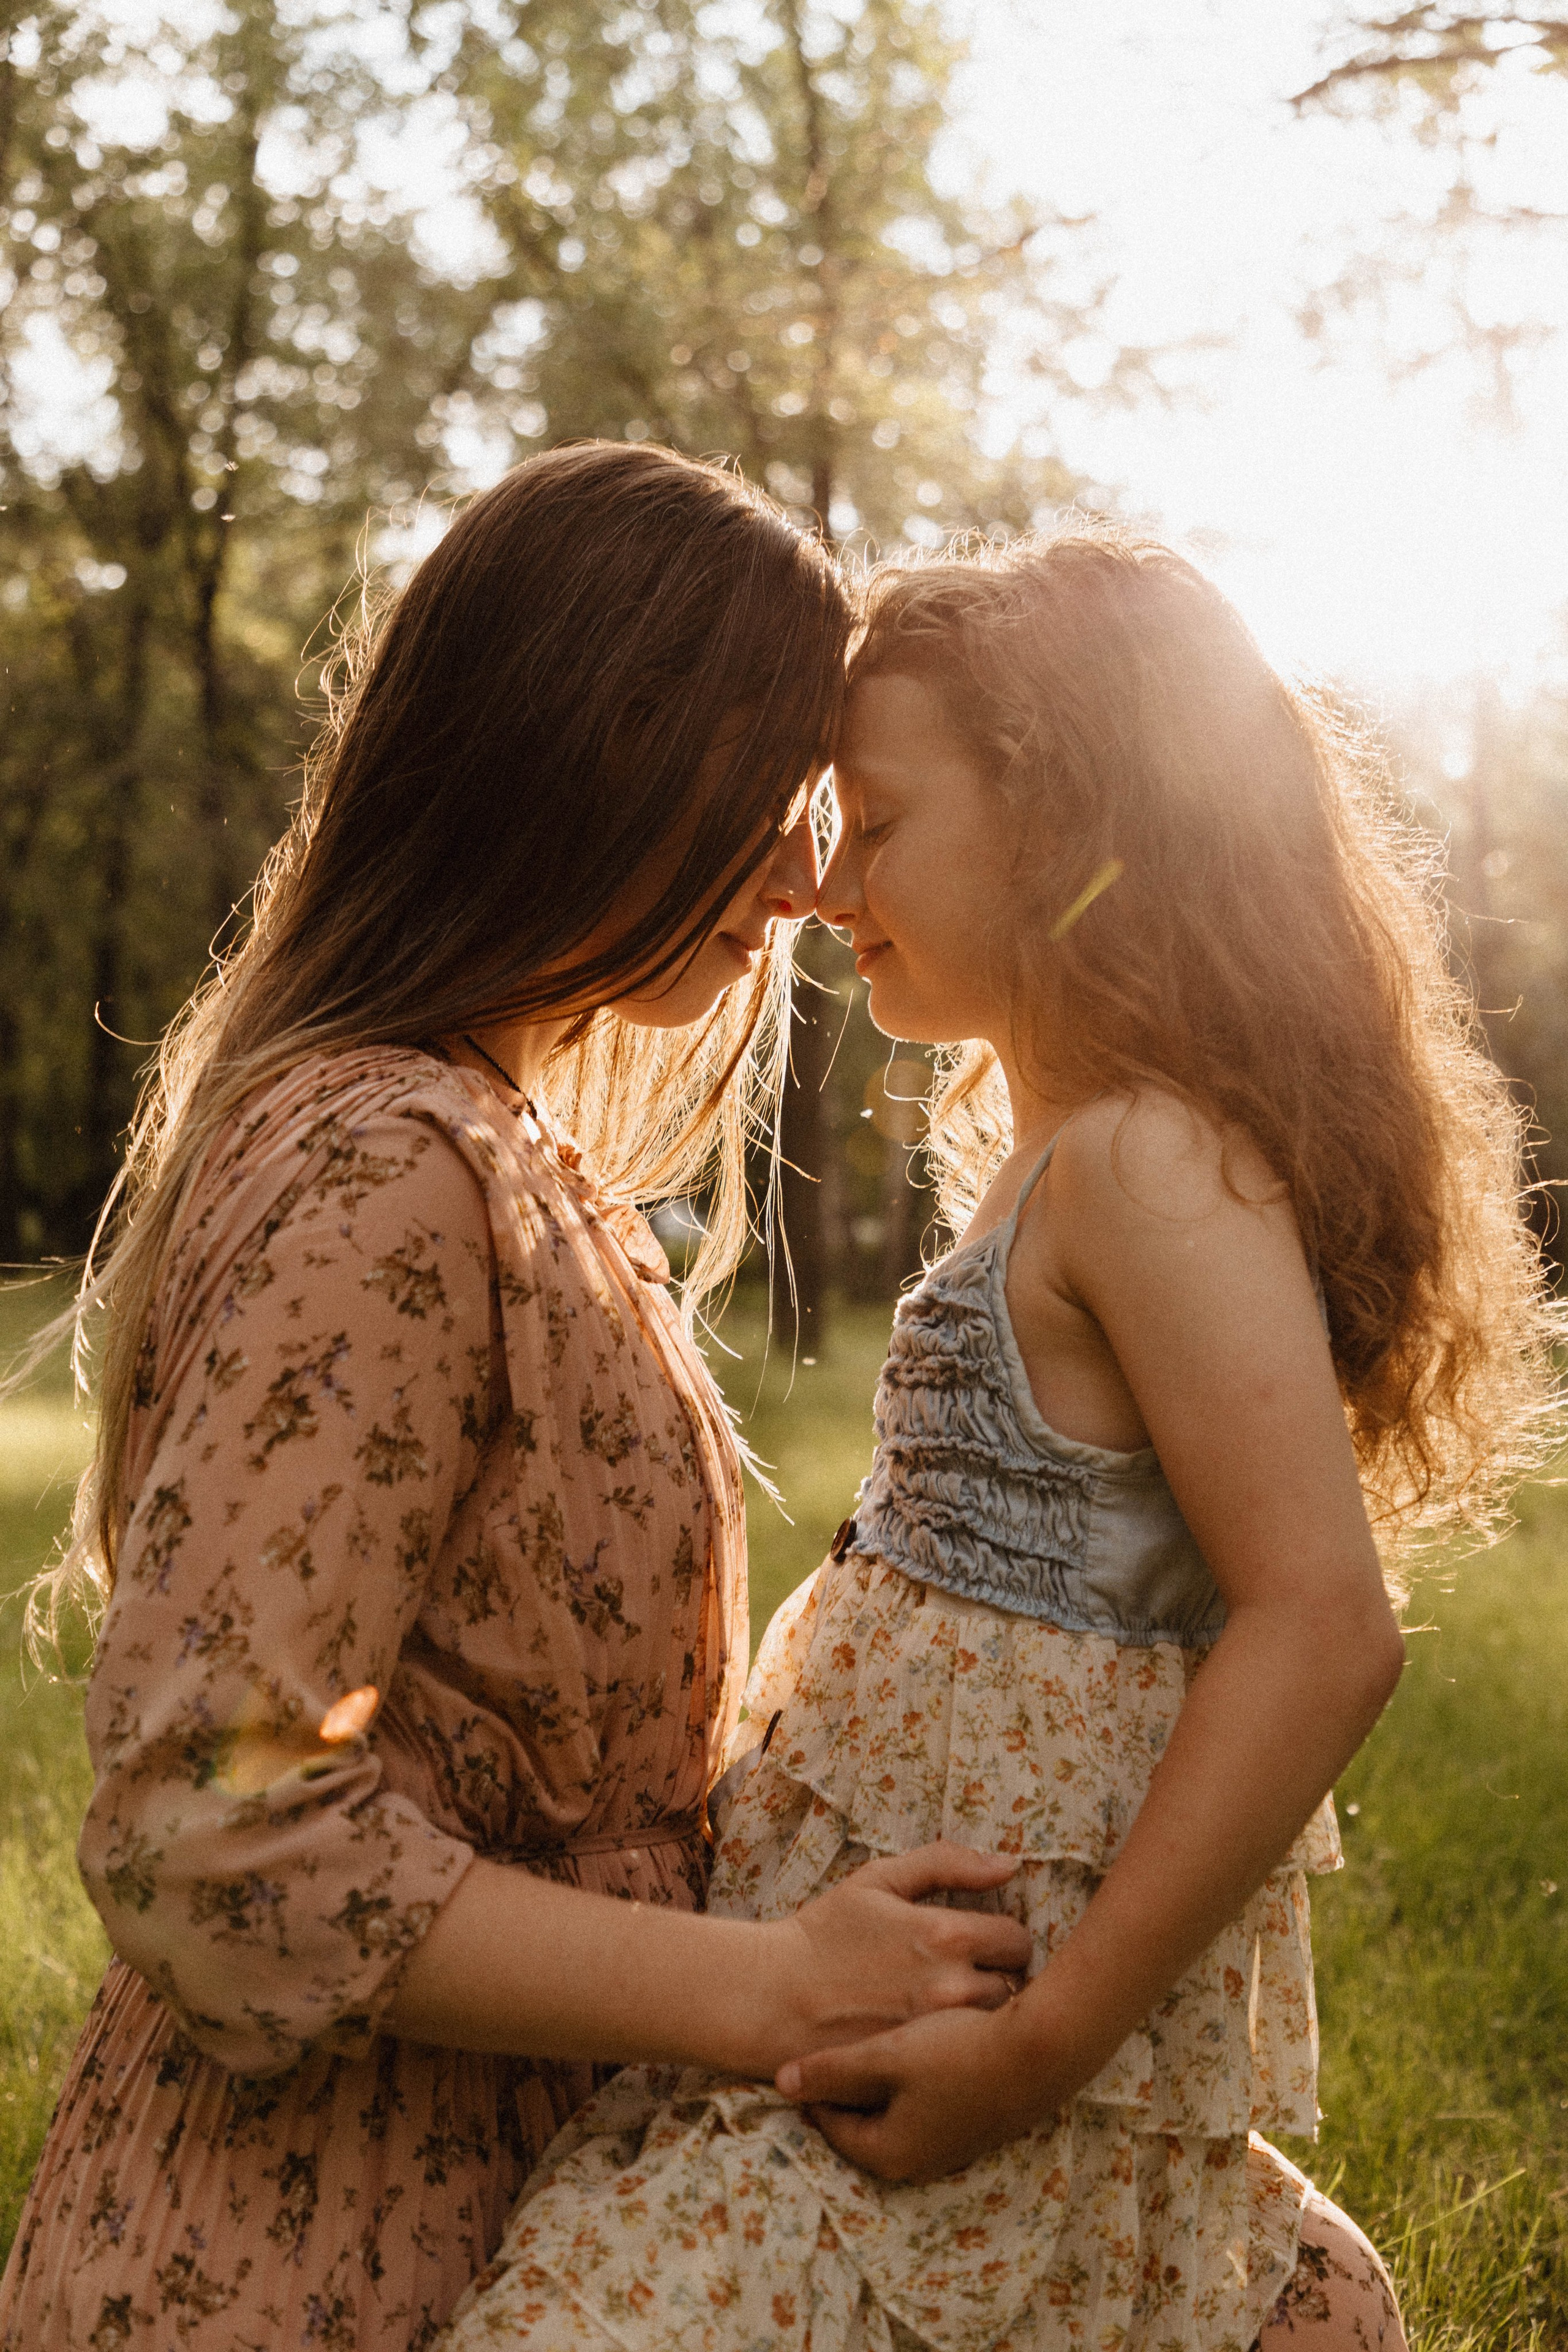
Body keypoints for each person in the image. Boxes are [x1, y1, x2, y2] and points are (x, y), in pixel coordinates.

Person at [433, 526, 1559, 2352]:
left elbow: (1324, 1623)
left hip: (981, 2043)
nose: (824, 881)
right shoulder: (1064, 1160)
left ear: (1058, 825)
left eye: (877, 824)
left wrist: (1041, 2048)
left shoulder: (1145, 1162)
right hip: (860, 2009)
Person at [0, 444, 1035, 2352]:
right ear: (599, 743)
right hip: (339, 2247)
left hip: (535, 2181)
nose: (810, 877)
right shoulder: (392, 1165)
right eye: (769, 784)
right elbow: (209, 1836)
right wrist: (774, 1990)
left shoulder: (498, 1148)